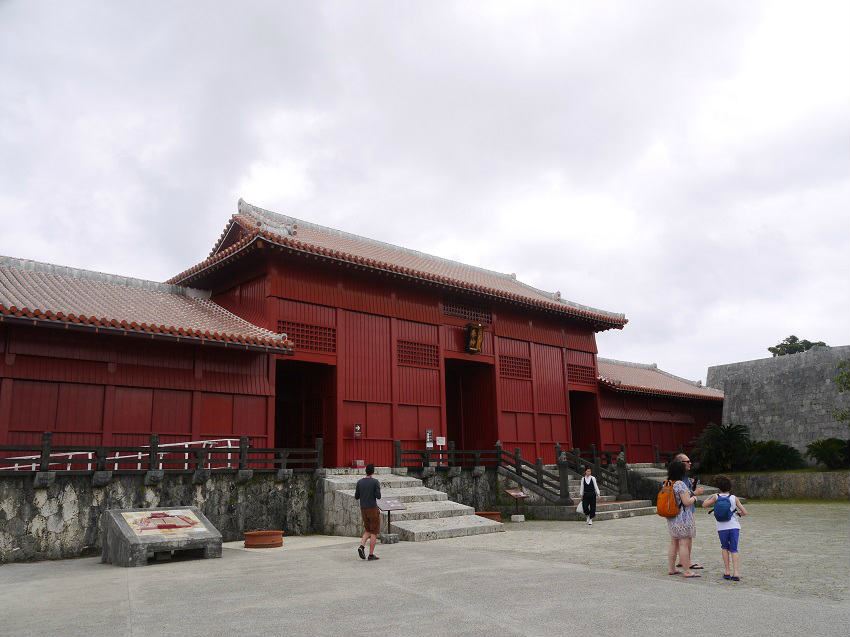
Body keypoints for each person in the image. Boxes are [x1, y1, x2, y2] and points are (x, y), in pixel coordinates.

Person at [702, 475, 748, 581]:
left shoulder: (716, 497)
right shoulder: (734, 498)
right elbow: (745, 512)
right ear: (730, 487)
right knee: (734, 549)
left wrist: (711, 497)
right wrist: (739, 514)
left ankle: (727, 571)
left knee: (724, 547)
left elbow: (704, 505)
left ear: (719, 487)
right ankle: (736, 573)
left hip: (721, 527)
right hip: (734, 526)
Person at [665, 459, 700, 578]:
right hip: (682, 517)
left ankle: (671, 568)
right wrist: (695, 497)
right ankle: (687, 571)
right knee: (683, 543)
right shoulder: (680, 484)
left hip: (671, 517)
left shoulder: (667, 483)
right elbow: (686, 502)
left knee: (673, 542)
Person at [673, 452, 704, 571]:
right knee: (687, 538)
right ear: (680, 463)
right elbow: (684, 497)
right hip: (685, 511)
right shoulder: (681, 479)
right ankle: (688, 562)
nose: (690, 463)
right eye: (687, 461)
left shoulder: (677, 476)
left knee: (676, 540)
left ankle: (681, 561)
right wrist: (695, 493)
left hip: (677, 512)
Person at [355, 464, 382, 561]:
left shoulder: (359, 482)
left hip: (363, 509)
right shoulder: (375, 482)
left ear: (366, 471)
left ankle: (361, 546)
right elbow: (378, 496)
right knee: (374, 532)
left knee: (367, 530)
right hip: (372, 509)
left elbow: (356, 496)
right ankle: (371, 554)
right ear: (373, 471)